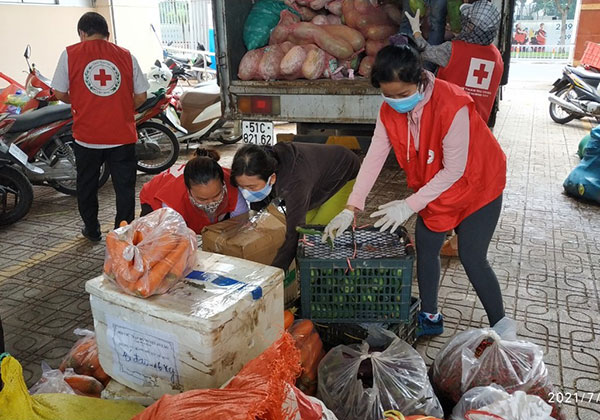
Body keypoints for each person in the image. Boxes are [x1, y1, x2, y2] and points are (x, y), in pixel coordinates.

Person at [323, 43, 516, 338]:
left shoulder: (452, 104)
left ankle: (501, 324)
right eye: (388, 94)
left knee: (472, 255)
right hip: (436, 187)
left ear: (419, 80)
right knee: (426, 245)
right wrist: (352, 208)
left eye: (403, 94)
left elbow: (454, 170)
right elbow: (374, 157)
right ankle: (430, 316)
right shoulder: (388, 111)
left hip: (478, 183)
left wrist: (408, 205)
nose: (396, 101)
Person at [51, 12, 149, 241]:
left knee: (86, 185)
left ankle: (92, 229)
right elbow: (141, 95)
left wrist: (81, 102)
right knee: (124, 188)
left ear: (82, 33)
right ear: (107, 33)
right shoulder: (126, 55)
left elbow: (59, 92)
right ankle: (121, 233)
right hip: (122, 135)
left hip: (87, 137)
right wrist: (121, 107)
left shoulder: (69, 54)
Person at [230, 143, 361, 271]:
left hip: (343, 172)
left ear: (272, 178)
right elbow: (261, 207)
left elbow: (296, 234)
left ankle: (325, 276)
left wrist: (274, 274)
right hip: (314, 180)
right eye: (242, 187)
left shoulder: (294, 182)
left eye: (251, 187)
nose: (247, 192)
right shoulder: (267, 164)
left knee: (316, 237)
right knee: (304, 228)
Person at [405, 0, 503, 124]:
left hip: (448, 121)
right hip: (478, 124)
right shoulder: (496, 56)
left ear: (470, 26)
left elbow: (425, 51)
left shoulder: (453, 49)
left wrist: (416, 31)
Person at [139, 148, 248, 234]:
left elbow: (240, 224)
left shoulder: (232, 184)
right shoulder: (172, 203)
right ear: (188, 191)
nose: (211, 203)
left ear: (223, 184)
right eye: (202, 199)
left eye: (217, 195)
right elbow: (173, 240)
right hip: (153, 199)